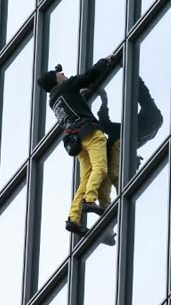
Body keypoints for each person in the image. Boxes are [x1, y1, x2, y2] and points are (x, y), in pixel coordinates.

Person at [36, 56, 113, 237]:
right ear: (56, 79)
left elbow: (73, 103)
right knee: (101, 168)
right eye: (59, 73)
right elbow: (89, 76)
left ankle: (73, 219)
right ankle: (89, 200)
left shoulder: (54, 101)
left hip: (77, 141)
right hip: (91, 134)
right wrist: (105, 61)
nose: (63, 73)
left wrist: (82, 95)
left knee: (85, 179)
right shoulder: (67, 86)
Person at [95, 77, 164, 208]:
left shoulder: (143, 124)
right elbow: (106, 126)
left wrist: (104, 102)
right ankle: (108, 217)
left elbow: (106, 126)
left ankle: (110, 213)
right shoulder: (141, 127)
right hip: (117, 148)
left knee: (108, 181)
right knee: (106, 184)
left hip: (116, 147)